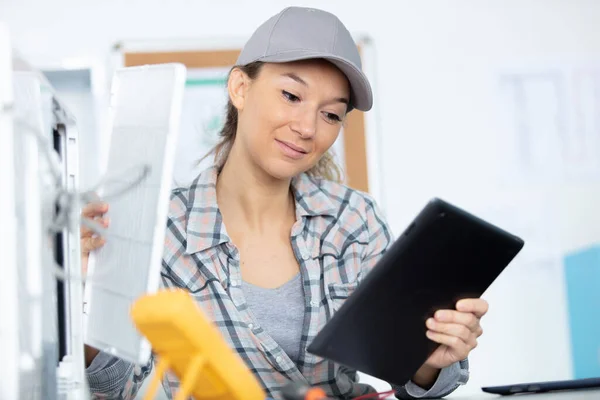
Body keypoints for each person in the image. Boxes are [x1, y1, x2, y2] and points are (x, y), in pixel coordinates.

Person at [81, 6, 487, 400]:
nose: (307, 127)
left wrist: (429, 360)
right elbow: (116, 390)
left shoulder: (354, 221)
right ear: (240, 88)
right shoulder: (157, 229)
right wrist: (81, 299)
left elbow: (413, 376)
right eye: (291, 95)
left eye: (331, 115)